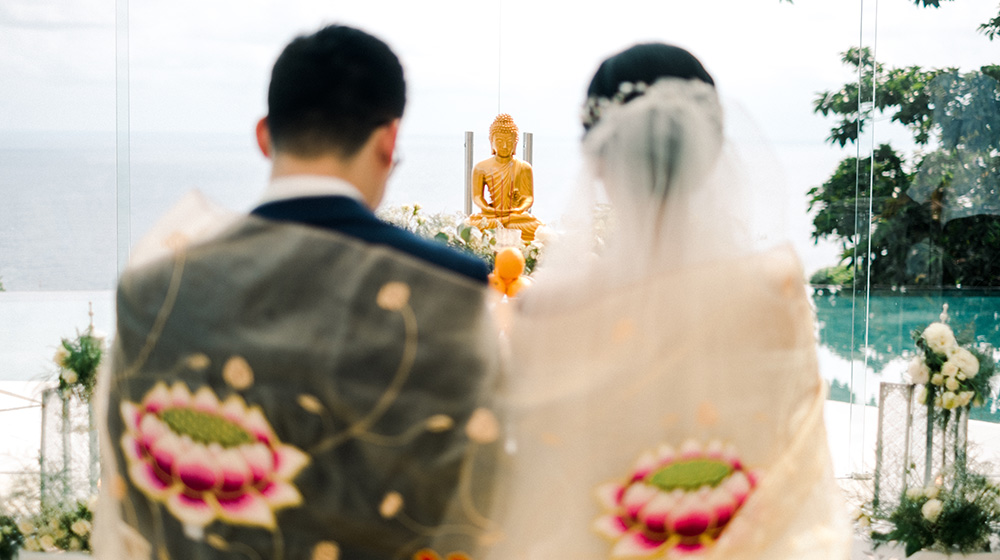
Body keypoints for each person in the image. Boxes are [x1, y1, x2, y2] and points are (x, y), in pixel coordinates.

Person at [94, 25, 501, 560]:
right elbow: (484, 496)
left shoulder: (153, 291)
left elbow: (130, 503)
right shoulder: (449, 291)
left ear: (264, 135)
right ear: (389, 140)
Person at [465, 44, 852, 559]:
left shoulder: (547, 312)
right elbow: (800, 473)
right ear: (713, 151)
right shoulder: (773, 290)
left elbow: (539, 486)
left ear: (597, 160)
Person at [467, 113, 543, 243]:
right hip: (492, 215)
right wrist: (488, 209)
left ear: (515, 143)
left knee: (536, 226)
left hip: (514, 216)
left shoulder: (524, 167)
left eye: (509, 142)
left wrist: (518, 210)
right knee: (470, 224)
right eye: (500, 142)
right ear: (492, 142)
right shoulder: (481, 167)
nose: (504, 146)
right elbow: (477, 197)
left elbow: (528, 198)